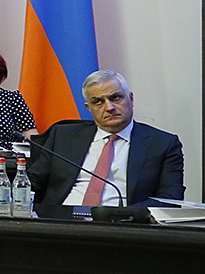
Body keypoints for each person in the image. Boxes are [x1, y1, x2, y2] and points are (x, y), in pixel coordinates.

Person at [28, 70, 183, 208]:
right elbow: (31, 182)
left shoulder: (162, 144)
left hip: (122, 223)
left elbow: (171, 198)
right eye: (98, 102)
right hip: (60, 221)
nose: (109, 108)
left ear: (131, 99)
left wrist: (126, 215)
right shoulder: (63, 137)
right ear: (89, 108)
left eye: (116, 98)